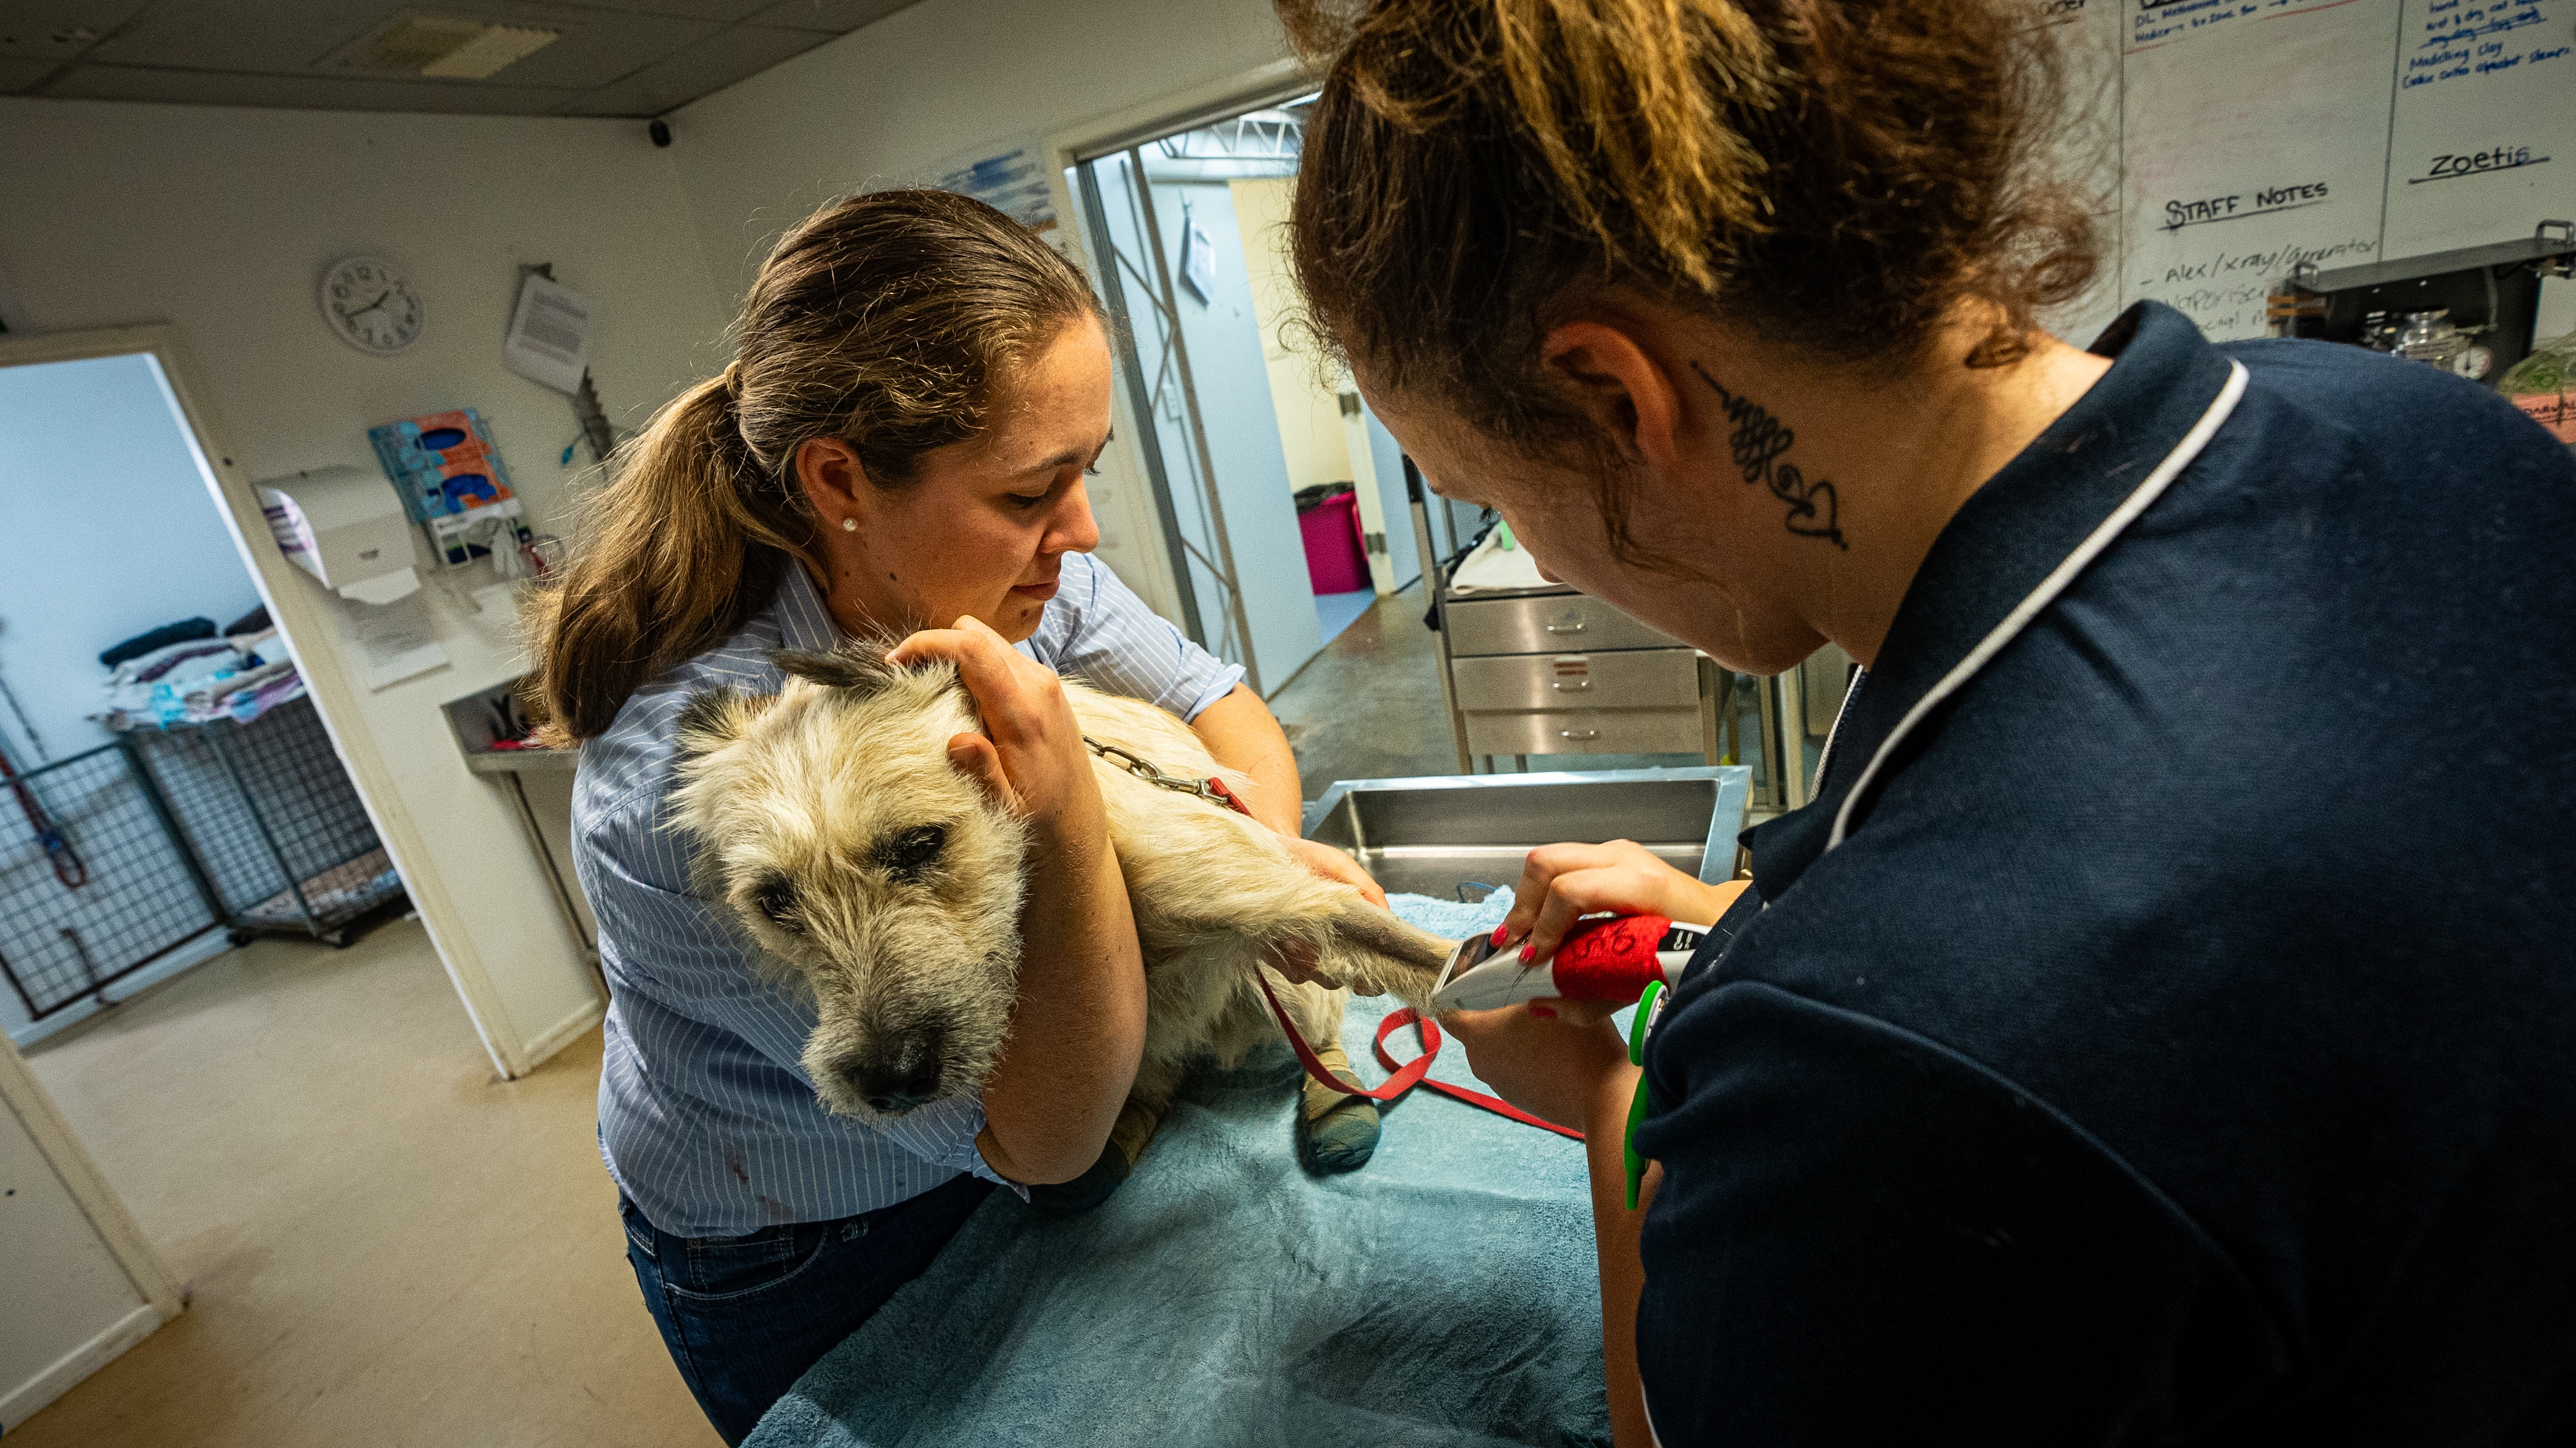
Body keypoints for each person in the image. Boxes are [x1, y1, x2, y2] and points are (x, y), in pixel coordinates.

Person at [1275, 0, 2576, 1443]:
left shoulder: (1884, 1068)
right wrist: (1738, 924)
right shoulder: (2392, 416)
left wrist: (1608, 1095)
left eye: (1493, 494)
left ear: (1612, 396)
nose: (1524, 537)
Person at [527, 190, 1383, 1444]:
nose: (1079, 536)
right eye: (1034, 490)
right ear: (839, 480)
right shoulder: (691, 788)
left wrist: (1248, 858)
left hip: (1046, 1095)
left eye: (1083, 475)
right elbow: (1031, 1131)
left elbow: (1225, 714)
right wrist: (1075, 819)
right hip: (816, 1228)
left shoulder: (988, 569)